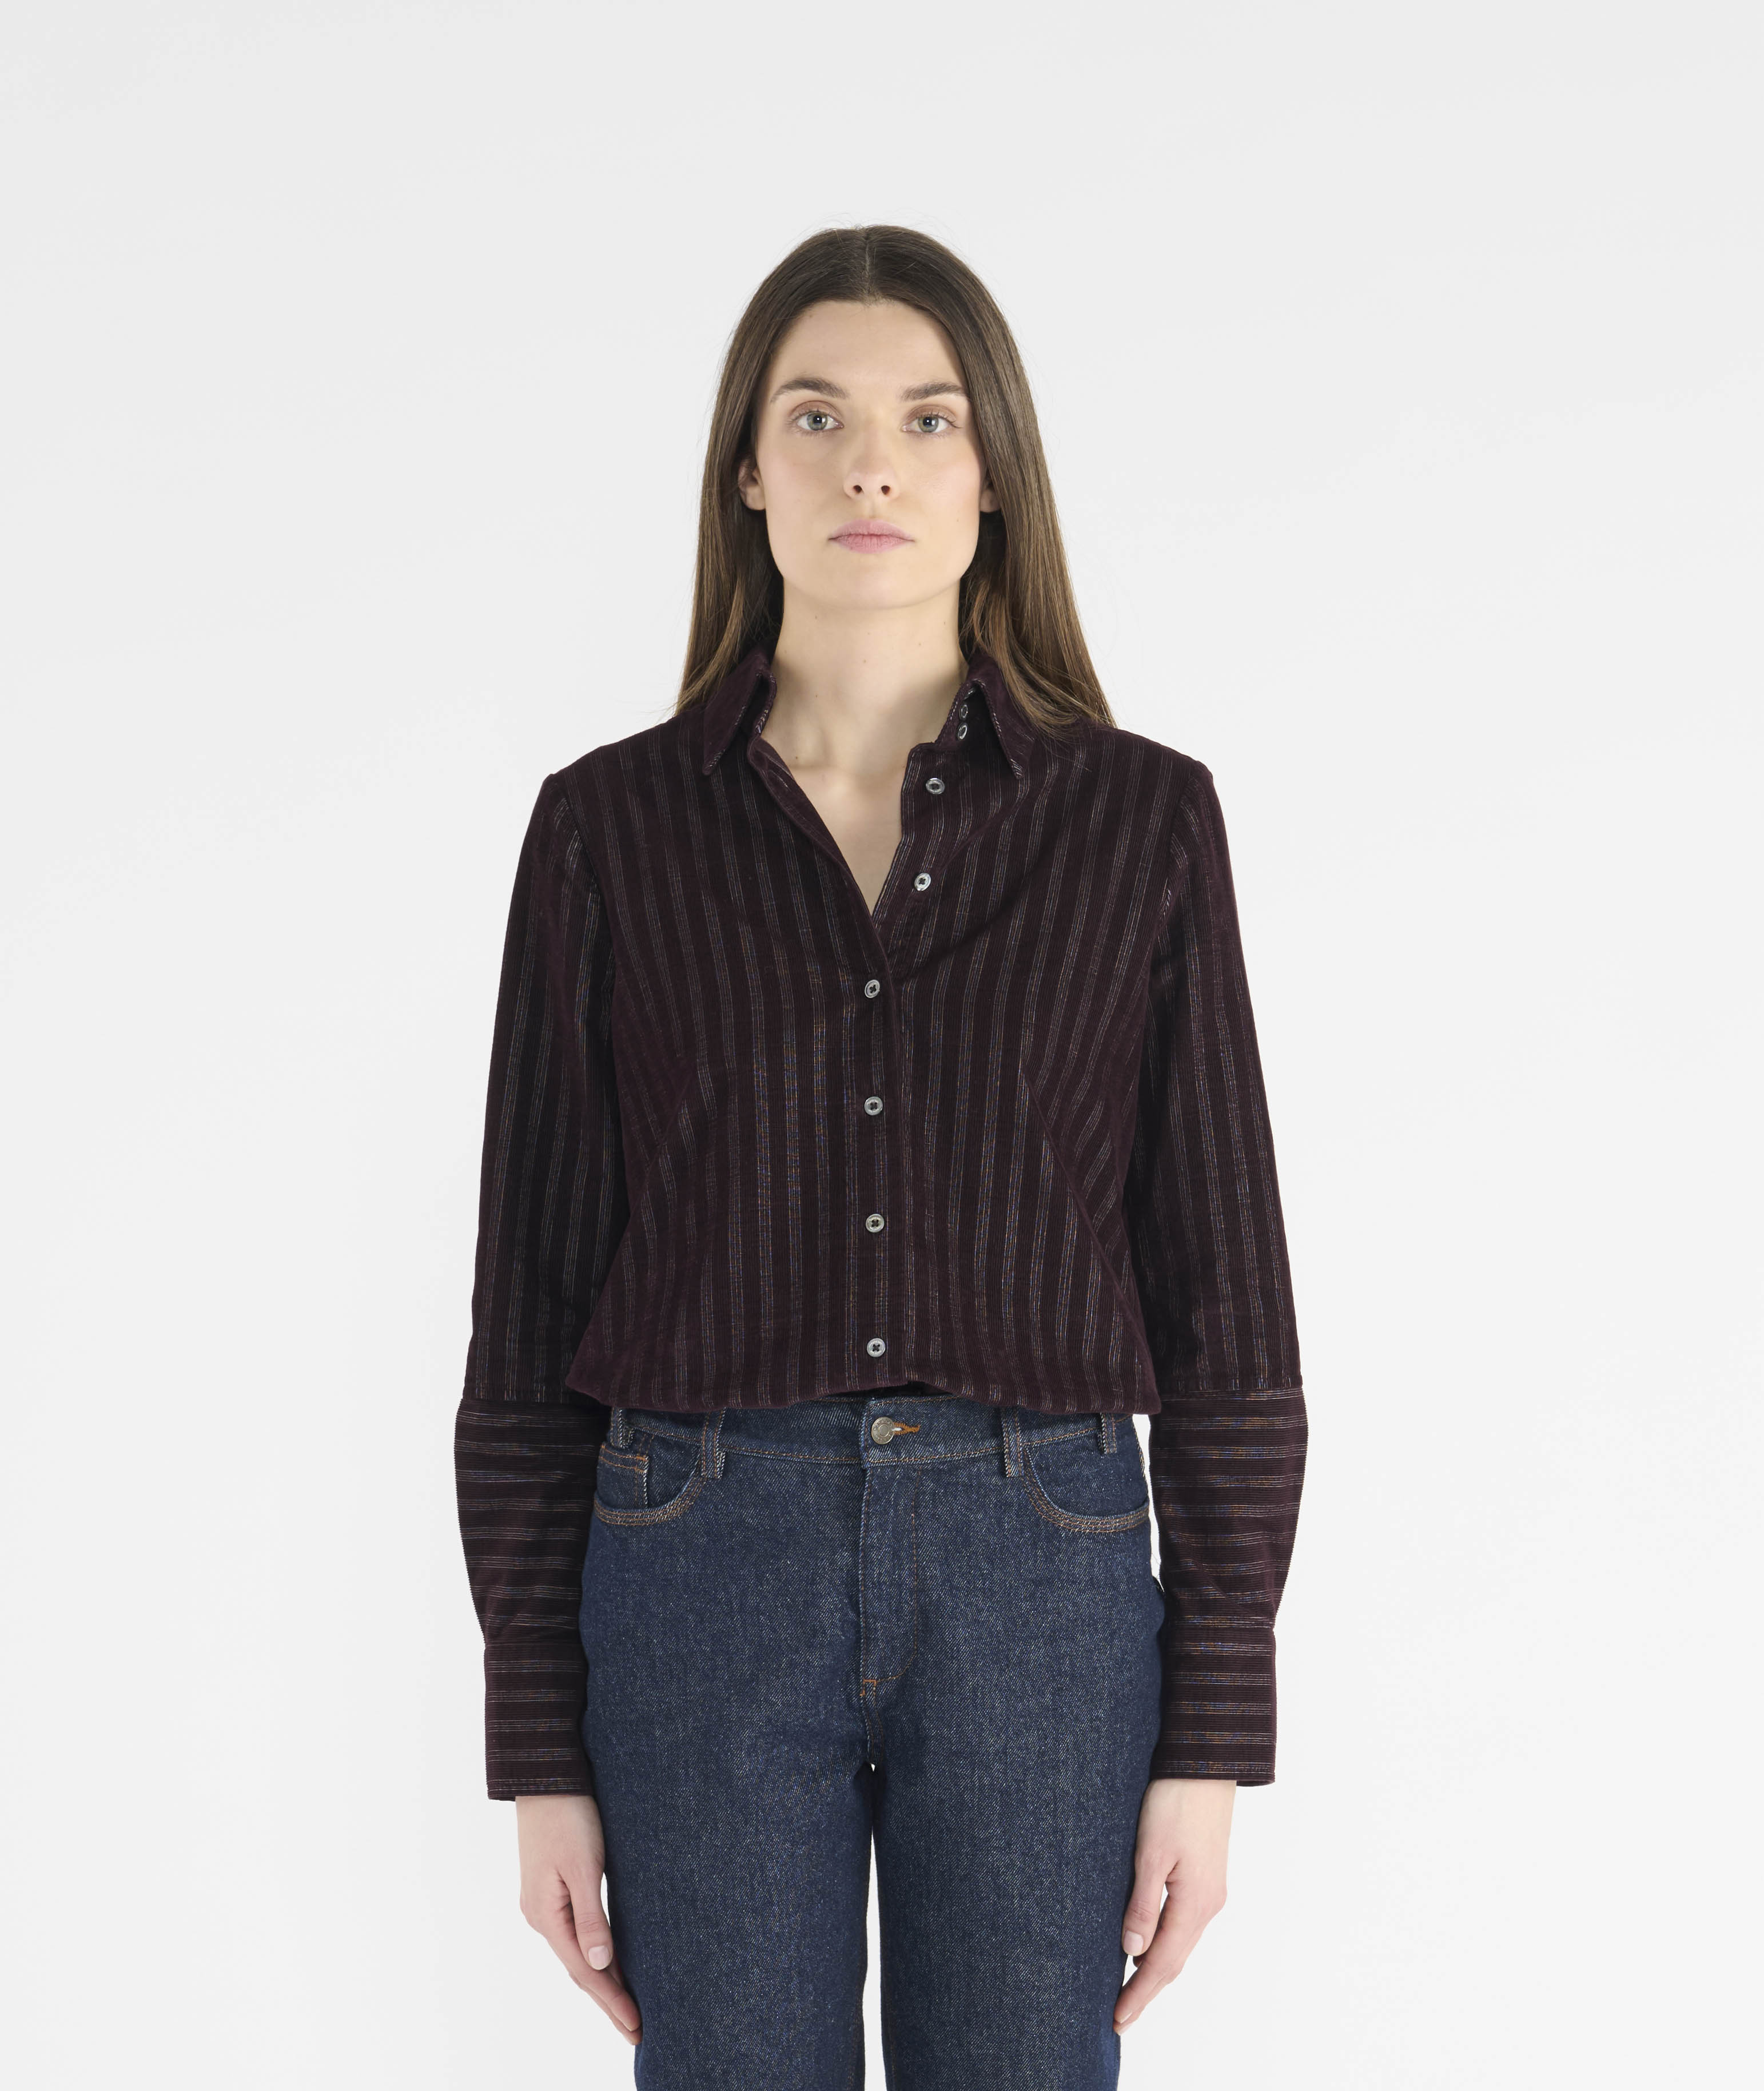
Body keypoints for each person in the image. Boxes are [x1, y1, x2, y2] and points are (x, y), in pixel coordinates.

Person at [453, 224, 1307, 2090]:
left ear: (993, 476)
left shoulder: (1142, 824)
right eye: (817, 416)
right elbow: (529, 1318)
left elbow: (1227, 1302)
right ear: (746, 474)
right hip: (697, 1555)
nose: (871, 465)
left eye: (928, 419)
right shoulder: (606, 832)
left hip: (1041, 1563)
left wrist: (1212, 1731)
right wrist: (540, 1748)